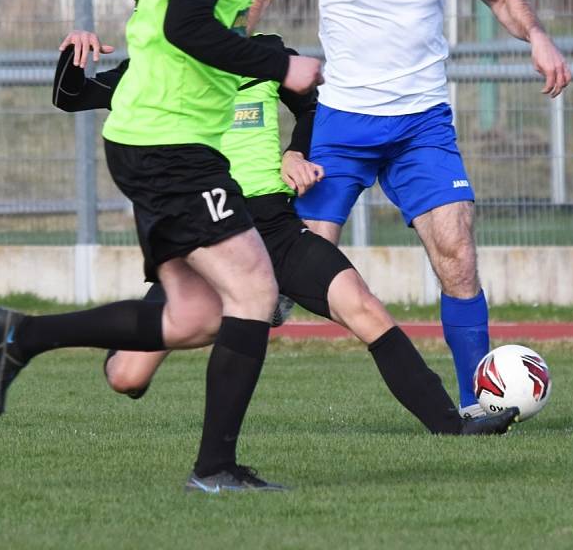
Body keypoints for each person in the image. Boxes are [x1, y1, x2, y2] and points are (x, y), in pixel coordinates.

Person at [0, 0, 324, 495]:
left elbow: (167, 30)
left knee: (196, 316)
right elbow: (183, 27)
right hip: (168, 145)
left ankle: (23, 336)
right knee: (256, 289)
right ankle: (215, 468)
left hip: (151, 138)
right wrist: (280, 65)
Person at [52, 28, 518, 439]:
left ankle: (451, 424)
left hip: (274, 225)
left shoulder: (265, 54)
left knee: (363, 305)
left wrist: (295, 152)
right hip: (209, 232)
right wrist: (73, 56)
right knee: (127, 377)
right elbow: (71, 96)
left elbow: (315, 107)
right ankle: (222, 316)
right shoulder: (157, 68)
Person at [248, 0, 572, 417]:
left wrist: (538, 37)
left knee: (458, 254)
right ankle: (240, 310)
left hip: (422, 127)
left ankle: (480, 404)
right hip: (342, 125)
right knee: (302, 268)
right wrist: (235, 59)